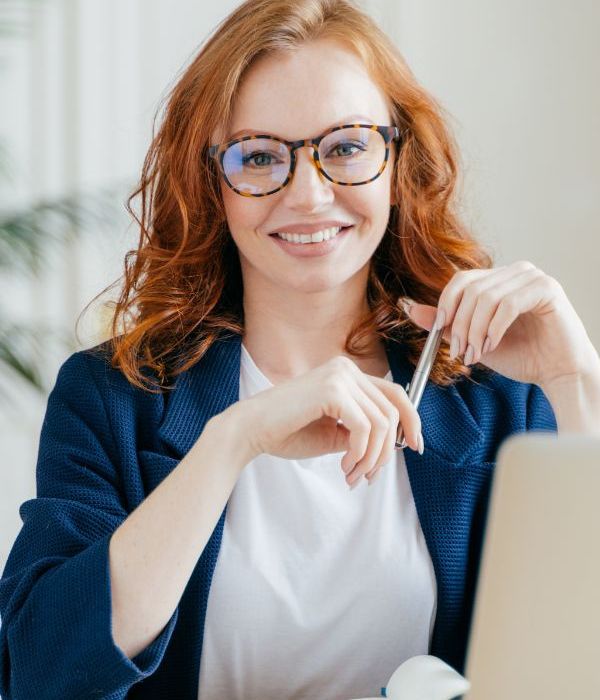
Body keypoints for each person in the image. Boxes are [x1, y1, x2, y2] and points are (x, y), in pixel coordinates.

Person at [1, 0, 599, 698]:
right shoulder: (111, 396)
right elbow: (40, 670)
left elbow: (575, 653)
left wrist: (574, 379)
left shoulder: (492, 398)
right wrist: (233, 441)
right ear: (211, 182)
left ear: (397, 159)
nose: (310, 195)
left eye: (345, 147)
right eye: (259, 156)